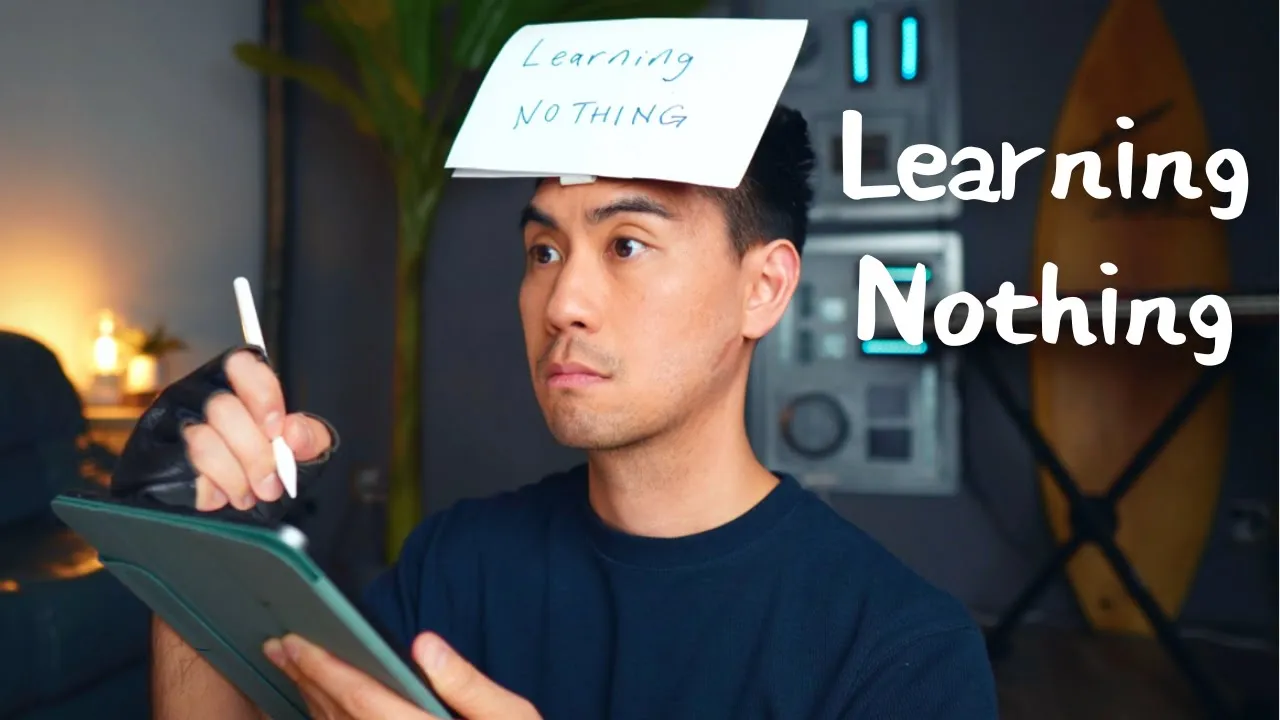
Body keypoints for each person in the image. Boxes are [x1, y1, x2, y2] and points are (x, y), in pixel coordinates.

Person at [139, 105, 999, 719]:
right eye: (544, 251)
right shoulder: (456, 565)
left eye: (626, 244)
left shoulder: (899, 653)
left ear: (764, 288)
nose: (563, 304)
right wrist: (189, 545)